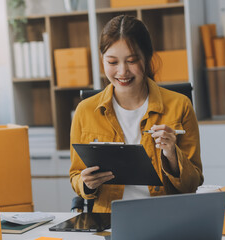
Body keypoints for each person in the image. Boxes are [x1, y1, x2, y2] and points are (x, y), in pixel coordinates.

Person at [69, 15, 203, 213]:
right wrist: (86, 183)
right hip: (110, 221)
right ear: (102, 60)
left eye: (132, 61)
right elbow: (75, 176)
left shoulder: (180, 106)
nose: (122, 72)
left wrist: (172, 154)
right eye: (112, 62)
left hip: (164, 217)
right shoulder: (85, 111)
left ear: (147, 57)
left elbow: (193, 184)